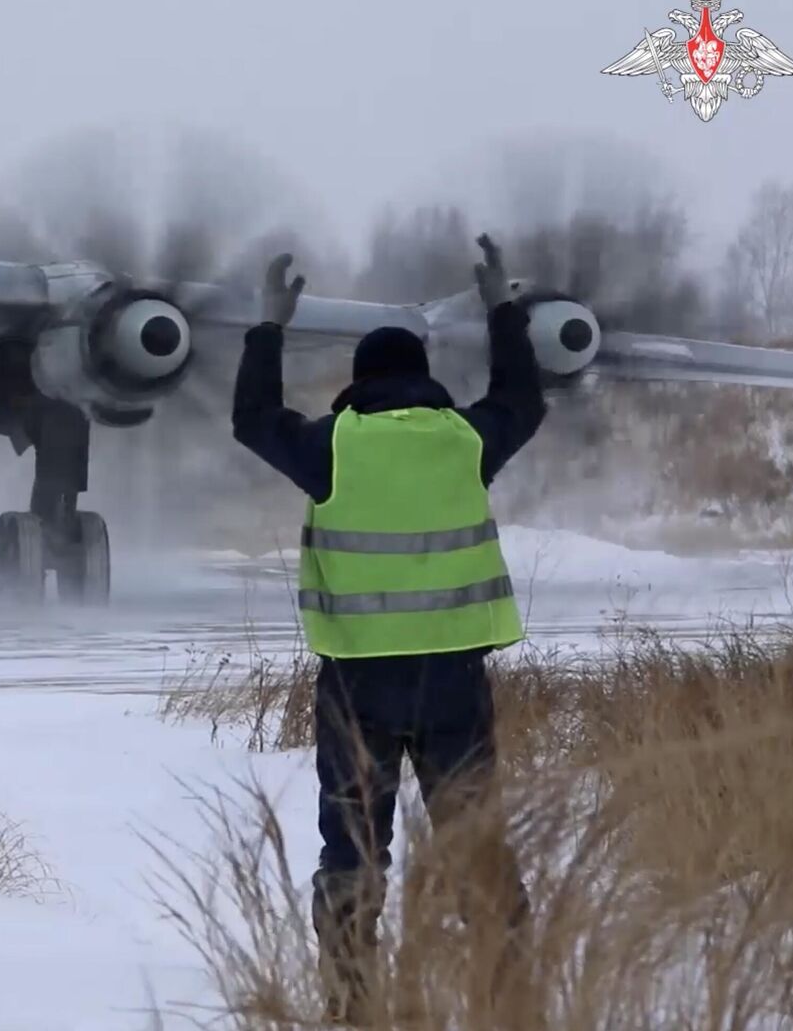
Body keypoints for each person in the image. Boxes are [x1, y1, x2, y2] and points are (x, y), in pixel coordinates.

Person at [230, 235, 543, 1023]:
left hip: (357, 684)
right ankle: (504, 994)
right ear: (424, 381)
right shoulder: (466, 441)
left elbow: (251, 419)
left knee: (353, 852)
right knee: (474, 840)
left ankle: (350, 1000)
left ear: (361, 382)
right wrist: (504, 311)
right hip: (454, 682)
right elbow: (523, 401)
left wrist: (268, 325)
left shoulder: (331, 446)